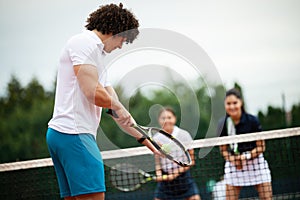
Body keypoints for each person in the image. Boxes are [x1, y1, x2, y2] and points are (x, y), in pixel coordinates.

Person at [46, 3, 160, 200]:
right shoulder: (84, 43)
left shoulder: (97, 56)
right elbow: (92, 93)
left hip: (65, 135)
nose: (120, 46)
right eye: (123, 40)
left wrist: (147, 140)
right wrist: (117, 106)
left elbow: (115, 109)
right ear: (115, 30)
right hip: (74, 134)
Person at [218, 88, 272, 200]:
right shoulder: (222, 124)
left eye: (235, 103)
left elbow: (261, 147)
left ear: (240, 103)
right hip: (235, 167)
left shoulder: (252, 120)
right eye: (228, 104)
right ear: (224, 105)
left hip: (256, 164)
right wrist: (233, 159)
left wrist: (245, 156)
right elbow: (223, 150)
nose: (232, 107)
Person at [153, 107, 201, 200]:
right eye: (163, 118)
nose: (166, 120)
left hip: (183, 178)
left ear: (175, 119)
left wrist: (175, 174)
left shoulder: (184, 135)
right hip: (165, 179)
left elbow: (191, 161)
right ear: (159, 120)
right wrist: (158, 173)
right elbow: (157, 161)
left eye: (169, 117)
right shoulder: (156, 138)